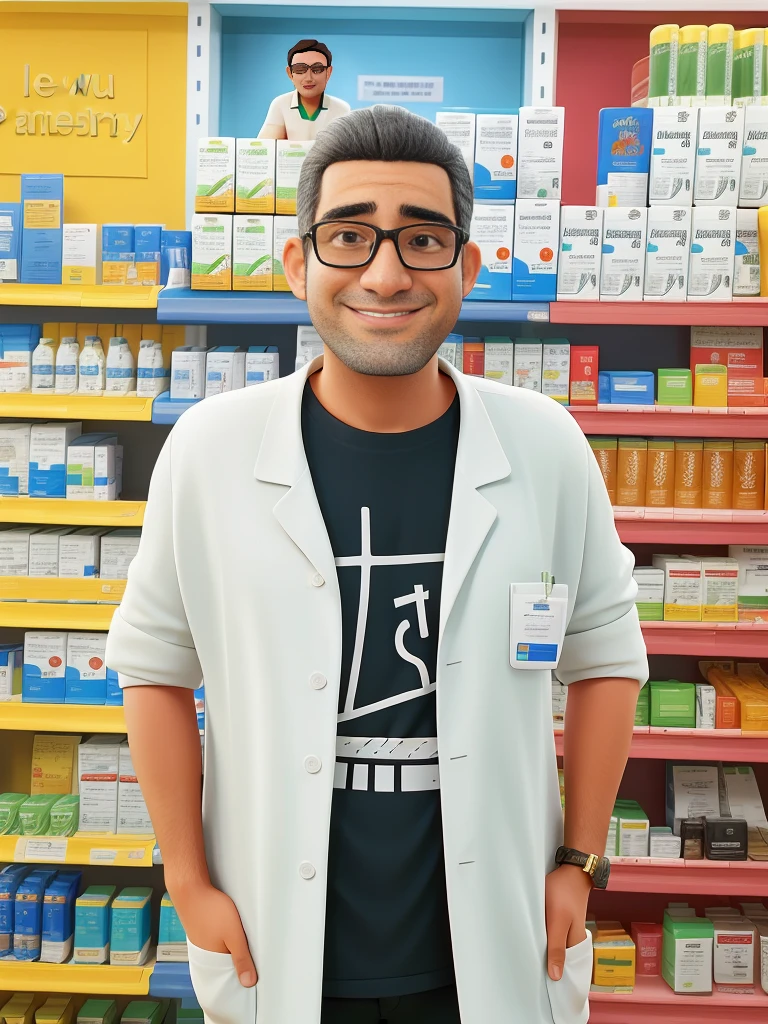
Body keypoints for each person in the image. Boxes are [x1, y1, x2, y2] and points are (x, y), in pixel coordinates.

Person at [106, 105, 648, 1024]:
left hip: (498, 936)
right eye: (350, 236)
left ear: (467, 268)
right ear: (298, 263)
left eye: (423, 240)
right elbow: (154, 668)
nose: (386, 274)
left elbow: (606, 655)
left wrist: (579, 861)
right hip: (273, 939)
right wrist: (187, 881)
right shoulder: (210, 450)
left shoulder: (546, 446)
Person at [258, 38, 351, 141]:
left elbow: (349, 147)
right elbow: (266, 146)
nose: (308, 78)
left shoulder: (341, 109)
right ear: (290, 73)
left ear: (328, 72)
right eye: (300, 69)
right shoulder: (281, 104)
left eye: (317, 69)